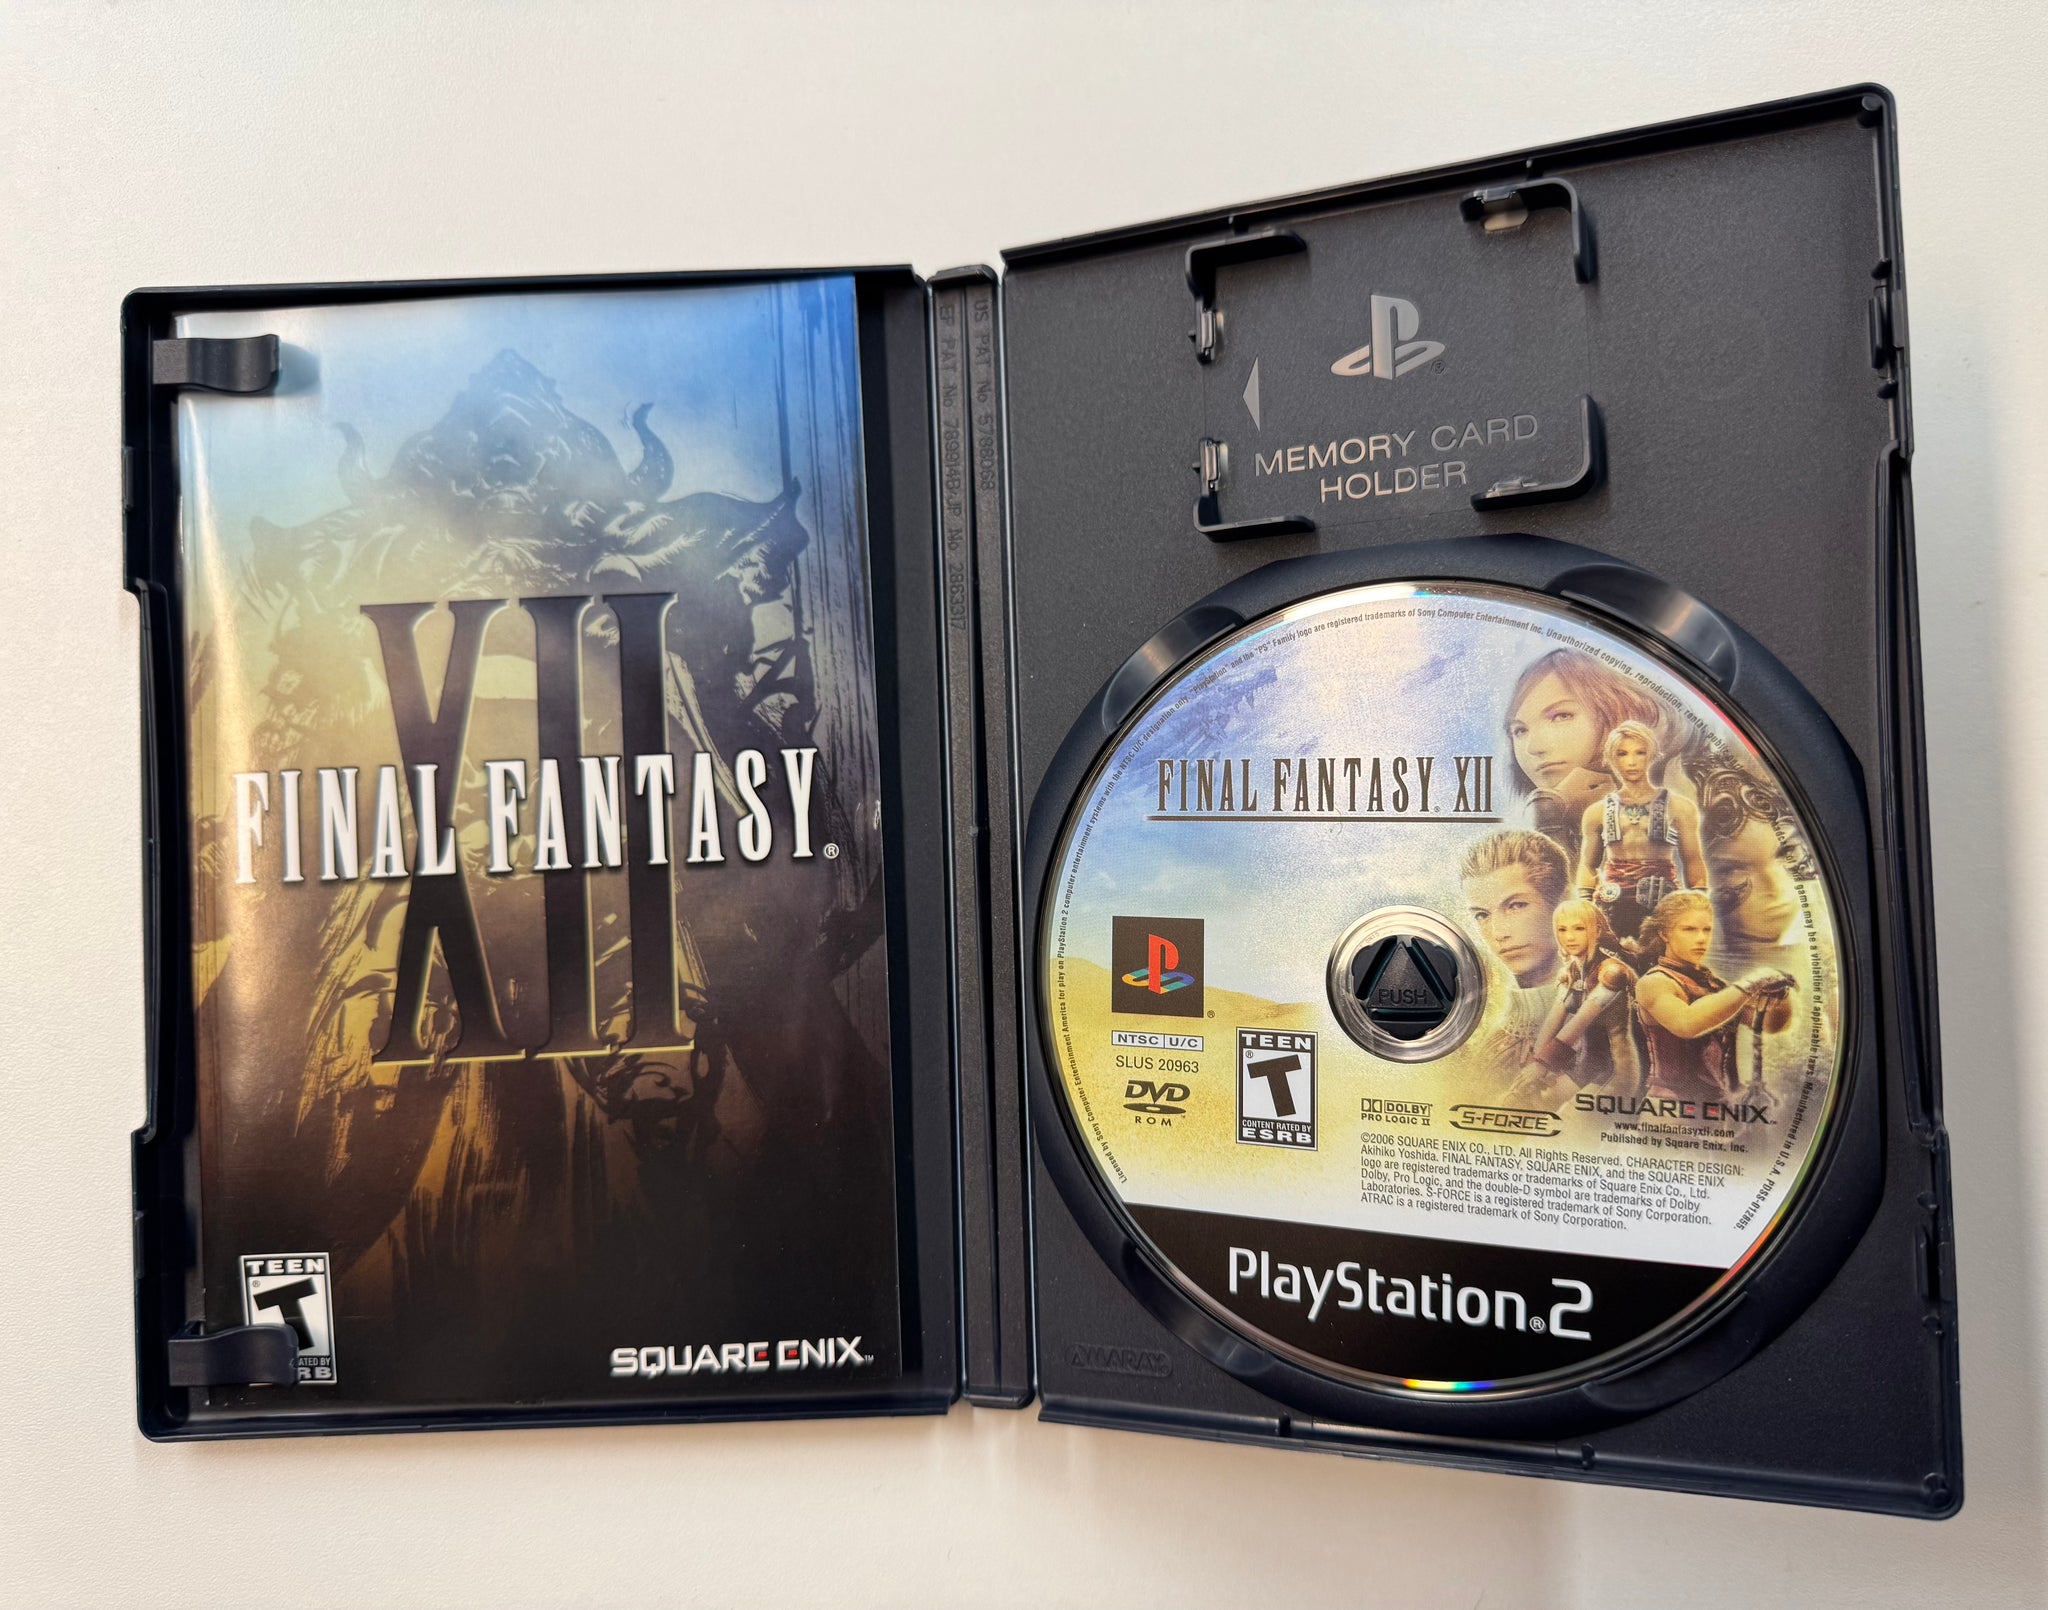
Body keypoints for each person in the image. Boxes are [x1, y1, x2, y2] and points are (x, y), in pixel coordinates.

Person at [1502, 648, 1672, 863]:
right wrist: (1549, 815)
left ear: (1611, 711)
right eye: (1520, 730)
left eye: (1561, 716)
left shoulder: (1677, 799)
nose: (1533, 748)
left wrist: (1549, 813)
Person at [1633, 890, 1794, 1107]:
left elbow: (1769, 1024)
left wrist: (1781, 995)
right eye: (1689, 929)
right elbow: (1687, 1024)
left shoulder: (1715, 985)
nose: (1701, 939)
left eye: (1707, 930)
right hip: (1669, 1108)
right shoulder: (1654, 982)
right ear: (1665, 933)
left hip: (1716, 1107)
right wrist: (1749, 985)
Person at [1575, 720, 1706, 945]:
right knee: (1612, 964)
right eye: (1622, 754)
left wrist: (1700, 904)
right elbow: (1588, 865)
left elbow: (1693, 860)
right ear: (1611, 758)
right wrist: (1585, 905)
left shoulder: (1679, 807)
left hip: (1663, 904)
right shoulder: (1596, 812)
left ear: (1651, 755)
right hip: (1612, 905)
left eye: (1640, 752)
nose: (1631, 762)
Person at [1521, 899, 1641, 1099]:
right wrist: (1535, 1060)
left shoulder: (1612, 972)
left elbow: (1581, 1021)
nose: (1569, 937)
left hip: (1615, 1070)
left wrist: (1543, 1063)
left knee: (1563, 1114)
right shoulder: (1571, 971)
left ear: (1597, 930)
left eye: (1579, 928)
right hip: (1584, 1064)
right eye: (1562, 929)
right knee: (1533, 1098)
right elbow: (1554, 1018)